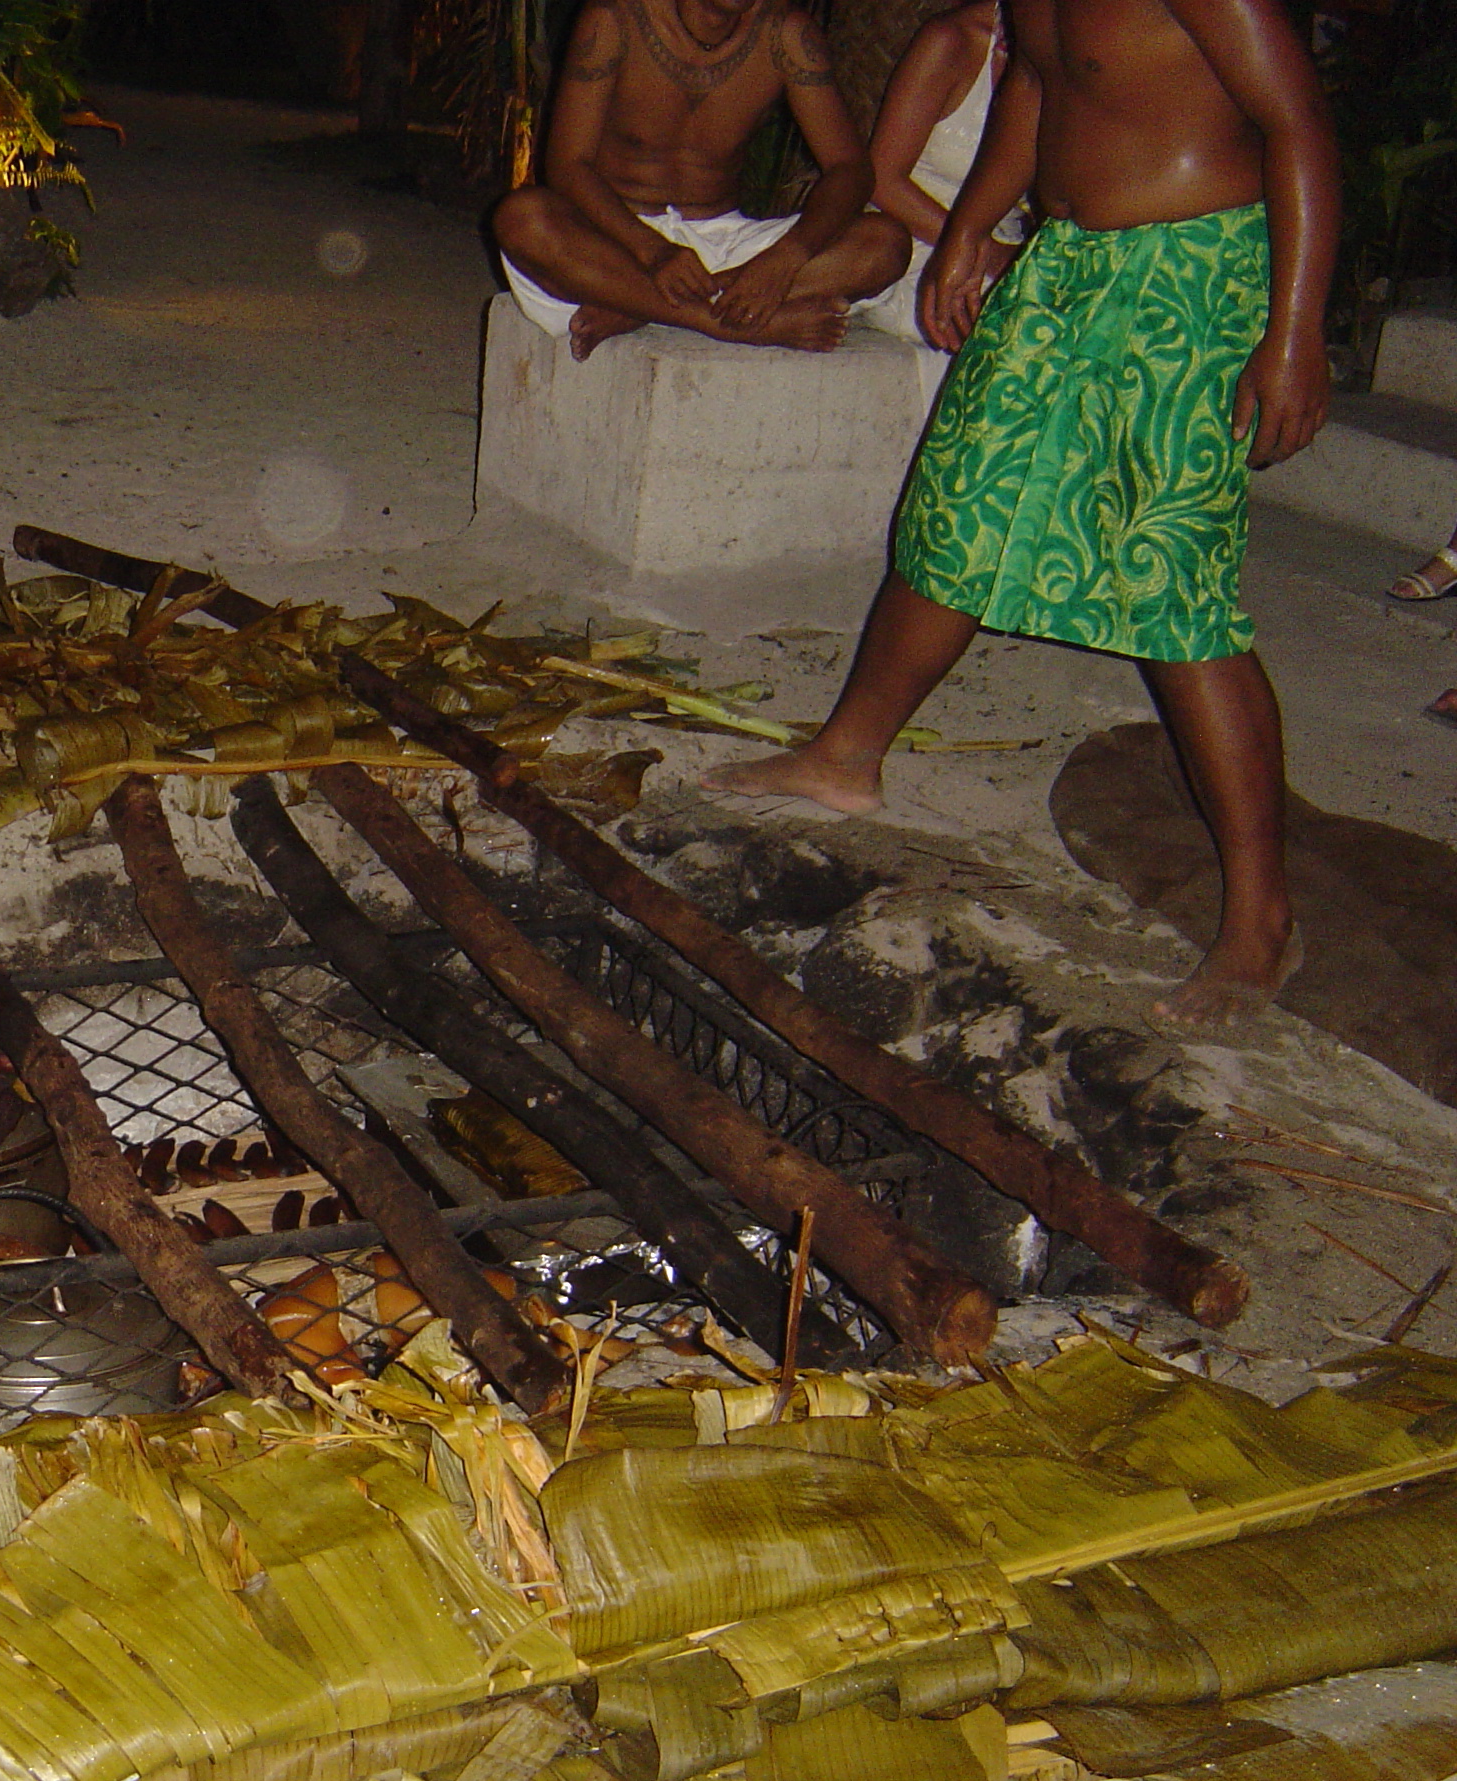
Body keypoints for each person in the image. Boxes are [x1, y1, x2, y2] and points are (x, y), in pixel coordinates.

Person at [706, 0, 1338, 1029]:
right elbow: (1036, 88)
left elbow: (1298, 125)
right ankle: (844, 757)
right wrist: (964, 233)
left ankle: (1261, 922)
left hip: (1194, 271)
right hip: (1063, 263)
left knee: (1167, 578)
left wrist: (1295, 331)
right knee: (957, 508)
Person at [492, 0, 911, 360]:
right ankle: (721, 322)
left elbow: (850, 170)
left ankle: (637, 307)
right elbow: (567, 166)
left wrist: (786, 259)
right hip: (616, 241)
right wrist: (654, 254)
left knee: (885, 244)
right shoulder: (615, 18)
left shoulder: (786, 35)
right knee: (522, 219)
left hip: (724, 249)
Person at [860, 0, 1029, 351]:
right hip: (917, 241)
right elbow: (881, 180)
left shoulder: (1075, 58)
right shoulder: (952, 40)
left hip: (1003, 250)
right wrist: (984, 250)